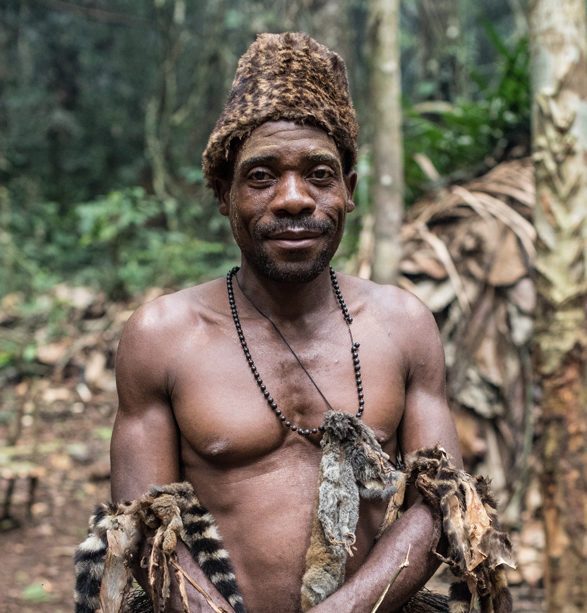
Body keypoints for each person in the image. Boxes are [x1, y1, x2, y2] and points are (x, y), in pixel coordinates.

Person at [110, 32, 463, 613]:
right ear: (223, 193)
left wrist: (344, 610)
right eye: (261, 176)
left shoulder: (402, 325)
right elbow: (146, 525)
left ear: (349, 190)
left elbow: (437, 507)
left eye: (320, 175)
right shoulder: (163, 336)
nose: (294, 198)